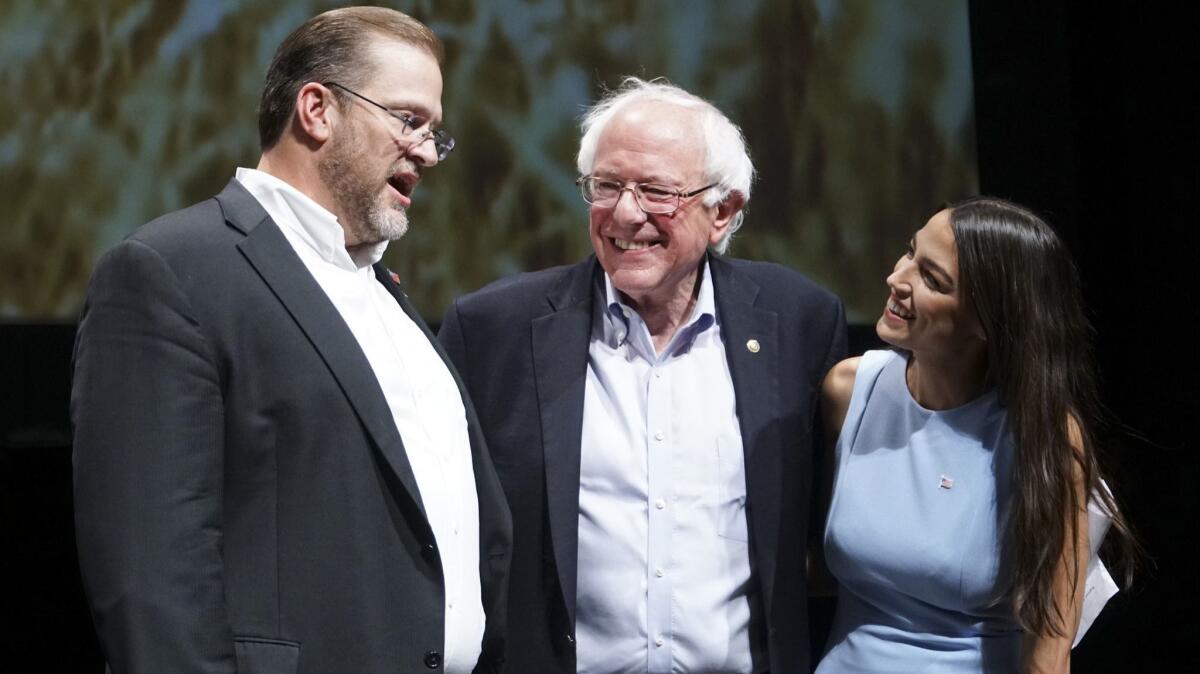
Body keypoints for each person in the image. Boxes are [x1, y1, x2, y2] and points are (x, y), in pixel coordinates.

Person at [70, 7, 511, 673]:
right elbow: (149, 575)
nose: (425, 150)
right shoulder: (174, 270)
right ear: (317, 109)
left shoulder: (386, 294)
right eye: (408, 120)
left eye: (433, 133)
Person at [438, 77, 847, 674]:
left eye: (657, 191)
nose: (625, 214)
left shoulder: (798, 321)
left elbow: (819, 533)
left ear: (723, 212)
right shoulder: (492, 331)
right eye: (606, 186)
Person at [815, 197, 1137, 672]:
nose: (896, 280)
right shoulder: (848, 392)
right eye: (909, 253)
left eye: (931, 278)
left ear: (989, 320)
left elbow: (1049, 654)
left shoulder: (1046, 438)